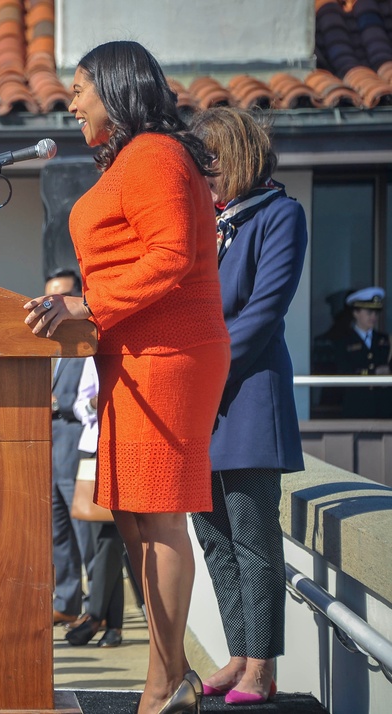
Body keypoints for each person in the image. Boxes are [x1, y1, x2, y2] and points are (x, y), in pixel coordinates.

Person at [23, 40, 229, 714]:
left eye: (80, 88)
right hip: (130, 355)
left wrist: (86, 304)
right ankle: (170, 679)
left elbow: (170, 256)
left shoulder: (156, 155)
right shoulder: (136, 157)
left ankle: (165, 684)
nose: (73, 102)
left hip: (167, 358)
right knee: (137, 520)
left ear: (115, 87)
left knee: (159, 521)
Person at [187, 107, 307, 704]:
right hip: (200, 401)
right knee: (212, 535)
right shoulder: (207, 222)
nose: (201, 175)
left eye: (208, 163)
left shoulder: (281, 214)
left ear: (237, 157)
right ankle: (238, 654)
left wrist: (202, 372)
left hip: (246, 393)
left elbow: (263, 312)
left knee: (254, 536)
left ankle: (261, 667)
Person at [64, 357, 125, 649]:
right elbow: (79, 404)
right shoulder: (93, 356)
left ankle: (96, 615)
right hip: (92, 450)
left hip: (124, 446)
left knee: (112, 539)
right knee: (100, 540)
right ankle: (112, 627)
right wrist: (92, 404)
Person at [45, 269, 93, 626]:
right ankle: (66, 600)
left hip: (78, 443)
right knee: (58, 529)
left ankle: (98, 608)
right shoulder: (47, 340)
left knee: (85, 530)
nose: (51, 305)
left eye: (59, 297)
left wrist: (56, 402)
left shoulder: (86, 338)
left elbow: (87, 395)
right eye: (47, 298)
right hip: (47, 442)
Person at [332, 287, 392, 418]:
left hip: (384, 409)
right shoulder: (343, 341)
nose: (373, 317)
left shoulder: (385, 340)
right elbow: (343, 371)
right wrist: (373, 372)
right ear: (355, 312)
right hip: (356, 408)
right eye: (369, 312)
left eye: (376, 313)